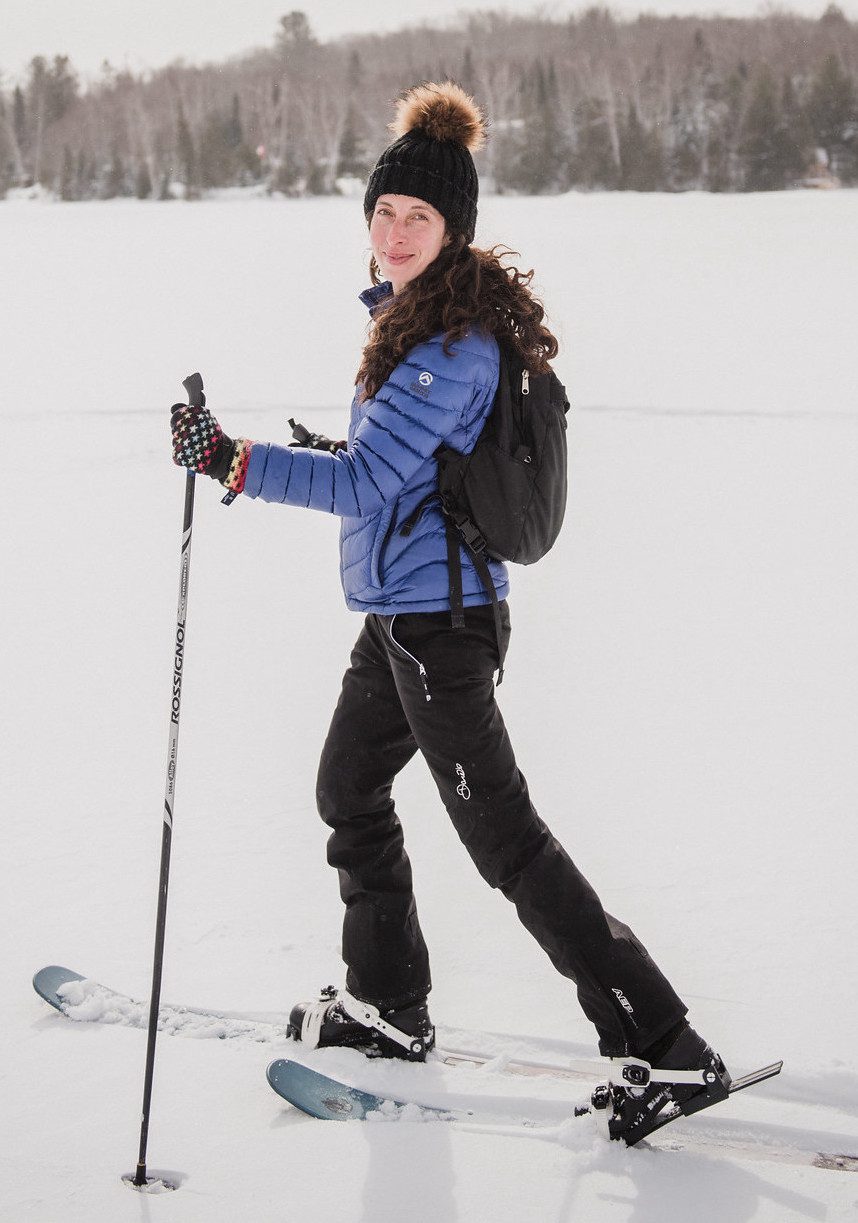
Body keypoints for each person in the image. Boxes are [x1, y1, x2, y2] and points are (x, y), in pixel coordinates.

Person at [170, 82, 729, 1140]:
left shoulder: (451, 347)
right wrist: (315, 454)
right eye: (382, 213)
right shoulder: (411, 323)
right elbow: (398, 474)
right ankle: (393, 1007)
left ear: (451, 228)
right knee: (349, 789)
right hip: (397, 616)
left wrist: (235, 459)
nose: (392, 233)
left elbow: (366, 486)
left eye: (414, 218)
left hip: (442, 631)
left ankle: (666, 1042)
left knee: (506, 841)